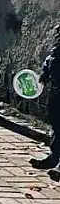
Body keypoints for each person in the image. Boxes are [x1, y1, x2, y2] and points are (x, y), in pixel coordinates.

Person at [30, 24, 60, 170]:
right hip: (56, 93)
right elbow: (50, 61)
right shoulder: (56, 50)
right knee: (56, 126)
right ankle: (54, 159)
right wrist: (45, 73)